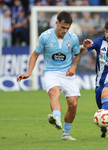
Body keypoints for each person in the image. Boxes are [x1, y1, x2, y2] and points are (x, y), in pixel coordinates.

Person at [16, 11, 81, 140]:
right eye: (63, 27)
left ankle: (66, 134)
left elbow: (78, 54)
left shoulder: (73, 37)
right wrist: (29, 72)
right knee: (53, 93)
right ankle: (56, 117)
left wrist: (73, 67)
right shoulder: (45, 36)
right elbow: (35, 55)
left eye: (67, 28)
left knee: (73, 104)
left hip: (67, 73)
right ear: (56, 23)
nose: (65, 31)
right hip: (51, 72)